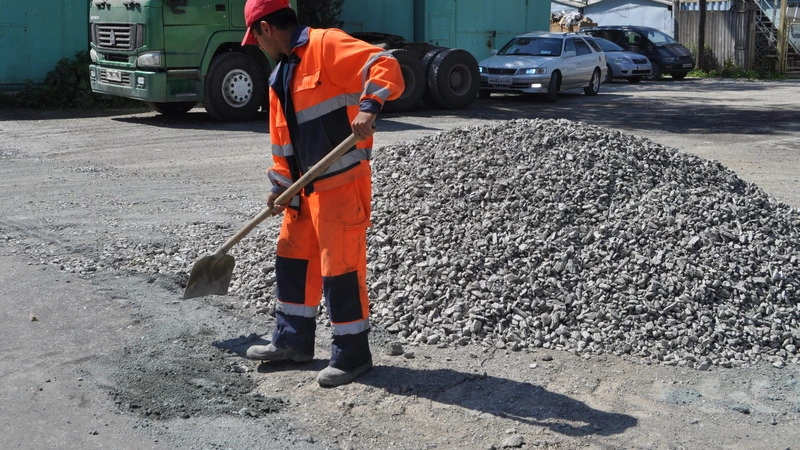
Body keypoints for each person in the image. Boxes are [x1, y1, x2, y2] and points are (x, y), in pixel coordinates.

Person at [240, 0, 404, 387]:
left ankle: (352, 355)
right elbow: (283, 141)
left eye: (255, 37)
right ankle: (292, 342)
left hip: (341, 183)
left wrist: (369, 105)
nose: (257, 45)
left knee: (340, 269)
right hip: (301, 191)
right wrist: (281, 186)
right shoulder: (279, 74)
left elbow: (385, 65)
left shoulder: (326, 44)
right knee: (293, 259)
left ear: (265, 28)